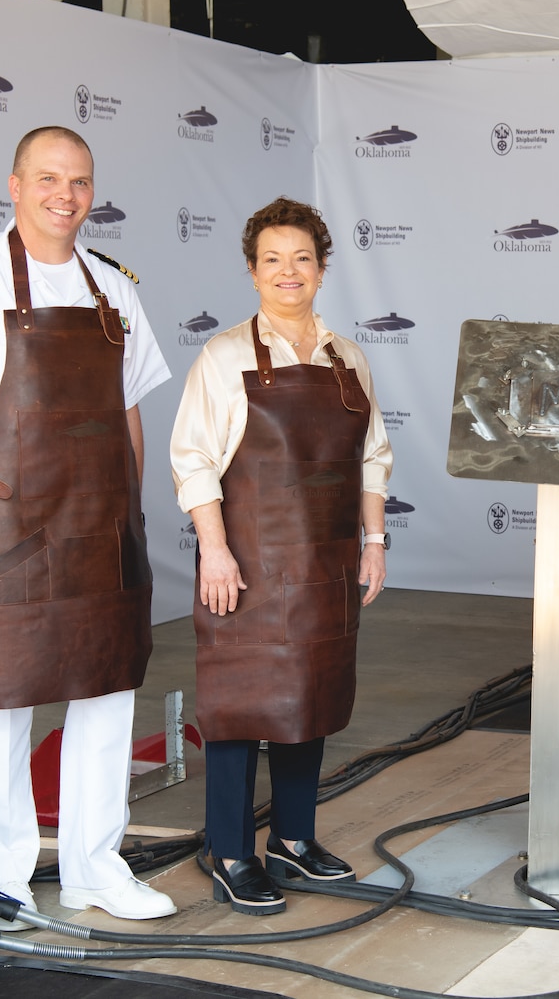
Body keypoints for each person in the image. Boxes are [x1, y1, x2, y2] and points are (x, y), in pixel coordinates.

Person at [0, 126, 176, 928]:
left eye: (79, 181)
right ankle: (3, 878)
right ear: (13, 186)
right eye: (47, 179)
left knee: (108, 695)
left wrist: (131, 514)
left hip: (102, 527)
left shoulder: (115, 286)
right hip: (1, 524)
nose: (65, 196)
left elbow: (128, 415)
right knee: (3, 704)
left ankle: (94, 868)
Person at [170, 197, 393, 915]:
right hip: (247, 562)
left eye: (302, 258)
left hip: (325, 560)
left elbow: (373, 456)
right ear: (252, 270)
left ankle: (292, 841)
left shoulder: (346, 357)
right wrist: (214, 551)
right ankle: (230, 851)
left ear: (322, 268)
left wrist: (375, 540)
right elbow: (194, 458)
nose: (288, 272)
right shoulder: (225, 355)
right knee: (239, 706)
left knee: (310, 695)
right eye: (273, 260)